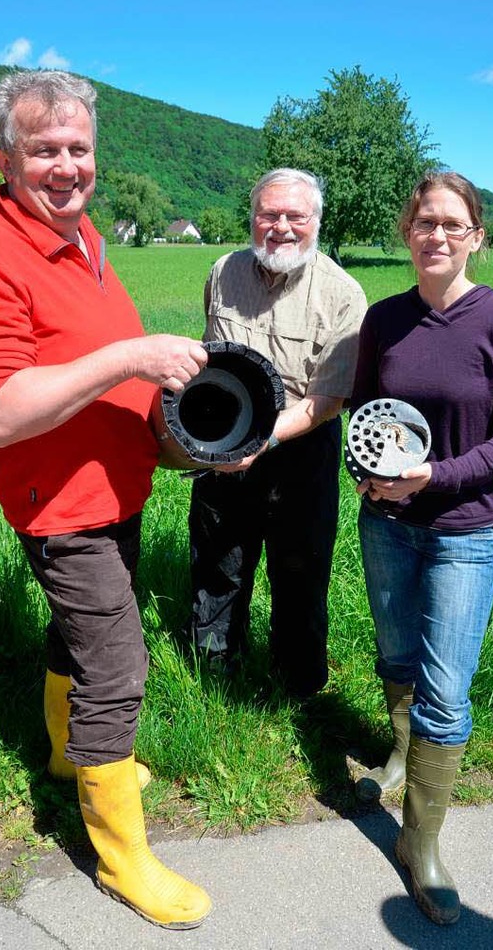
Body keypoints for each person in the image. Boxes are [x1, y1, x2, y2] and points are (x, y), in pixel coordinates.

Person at [0, 70, 212, 930]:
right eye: (44, 149)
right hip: (60, 504)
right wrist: (131, 357)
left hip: (116, 485)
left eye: (79, 149)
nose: (66, 165)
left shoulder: (85, 240)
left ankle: (63, 756)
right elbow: (3, 410)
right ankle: (120, 855)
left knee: (74, 635)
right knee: (117, 665)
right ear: (5, 157)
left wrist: (184, 438)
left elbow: (99, 370)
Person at [350, 172, 493, 925]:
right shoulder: (384, 319)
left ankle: (419, 842)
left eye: (453, 224)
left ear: (477, 237)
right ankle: (398, 756)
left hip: (464, 530)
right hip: (387, 525)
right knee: (396, 653)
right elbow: (364, 411)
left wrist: (436, 476)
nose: (437, 234)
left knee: (446, 687)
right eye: (425, 220)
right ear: (408, 230)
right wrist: (366, 476)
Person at [186, 168, 367, 698]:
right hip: (221, 443)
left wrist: (260, 441)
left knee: (300, 574)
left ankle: (300, 690)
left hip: (302, 451)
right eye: (269, 214)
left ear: (316, 221)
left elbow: (326, 400)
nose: (281, 227)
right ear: (252, 218)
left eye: (295, 216)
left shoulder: (343, 294)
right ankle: (212, 681)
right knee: (218, 565)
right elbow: (209, 363)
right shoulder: (222, 272)